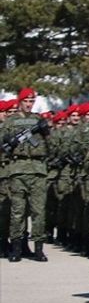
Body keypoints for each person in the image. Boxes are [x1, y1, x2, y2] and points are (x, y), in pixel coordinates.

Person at [0, 88, 49, 261]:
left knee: (38, 211)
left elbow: (50, 144)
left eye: (31, 101)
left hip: (37, 169)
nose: (28, 104)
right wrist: (9, 141)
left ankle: (38, 248)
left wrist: (45, 130)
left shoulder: (38, 119)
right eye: (26, 101)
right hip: (18, 168)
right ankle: (16, 248)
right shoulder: (11, 121)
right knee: (17, 211)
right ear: (20, 102)